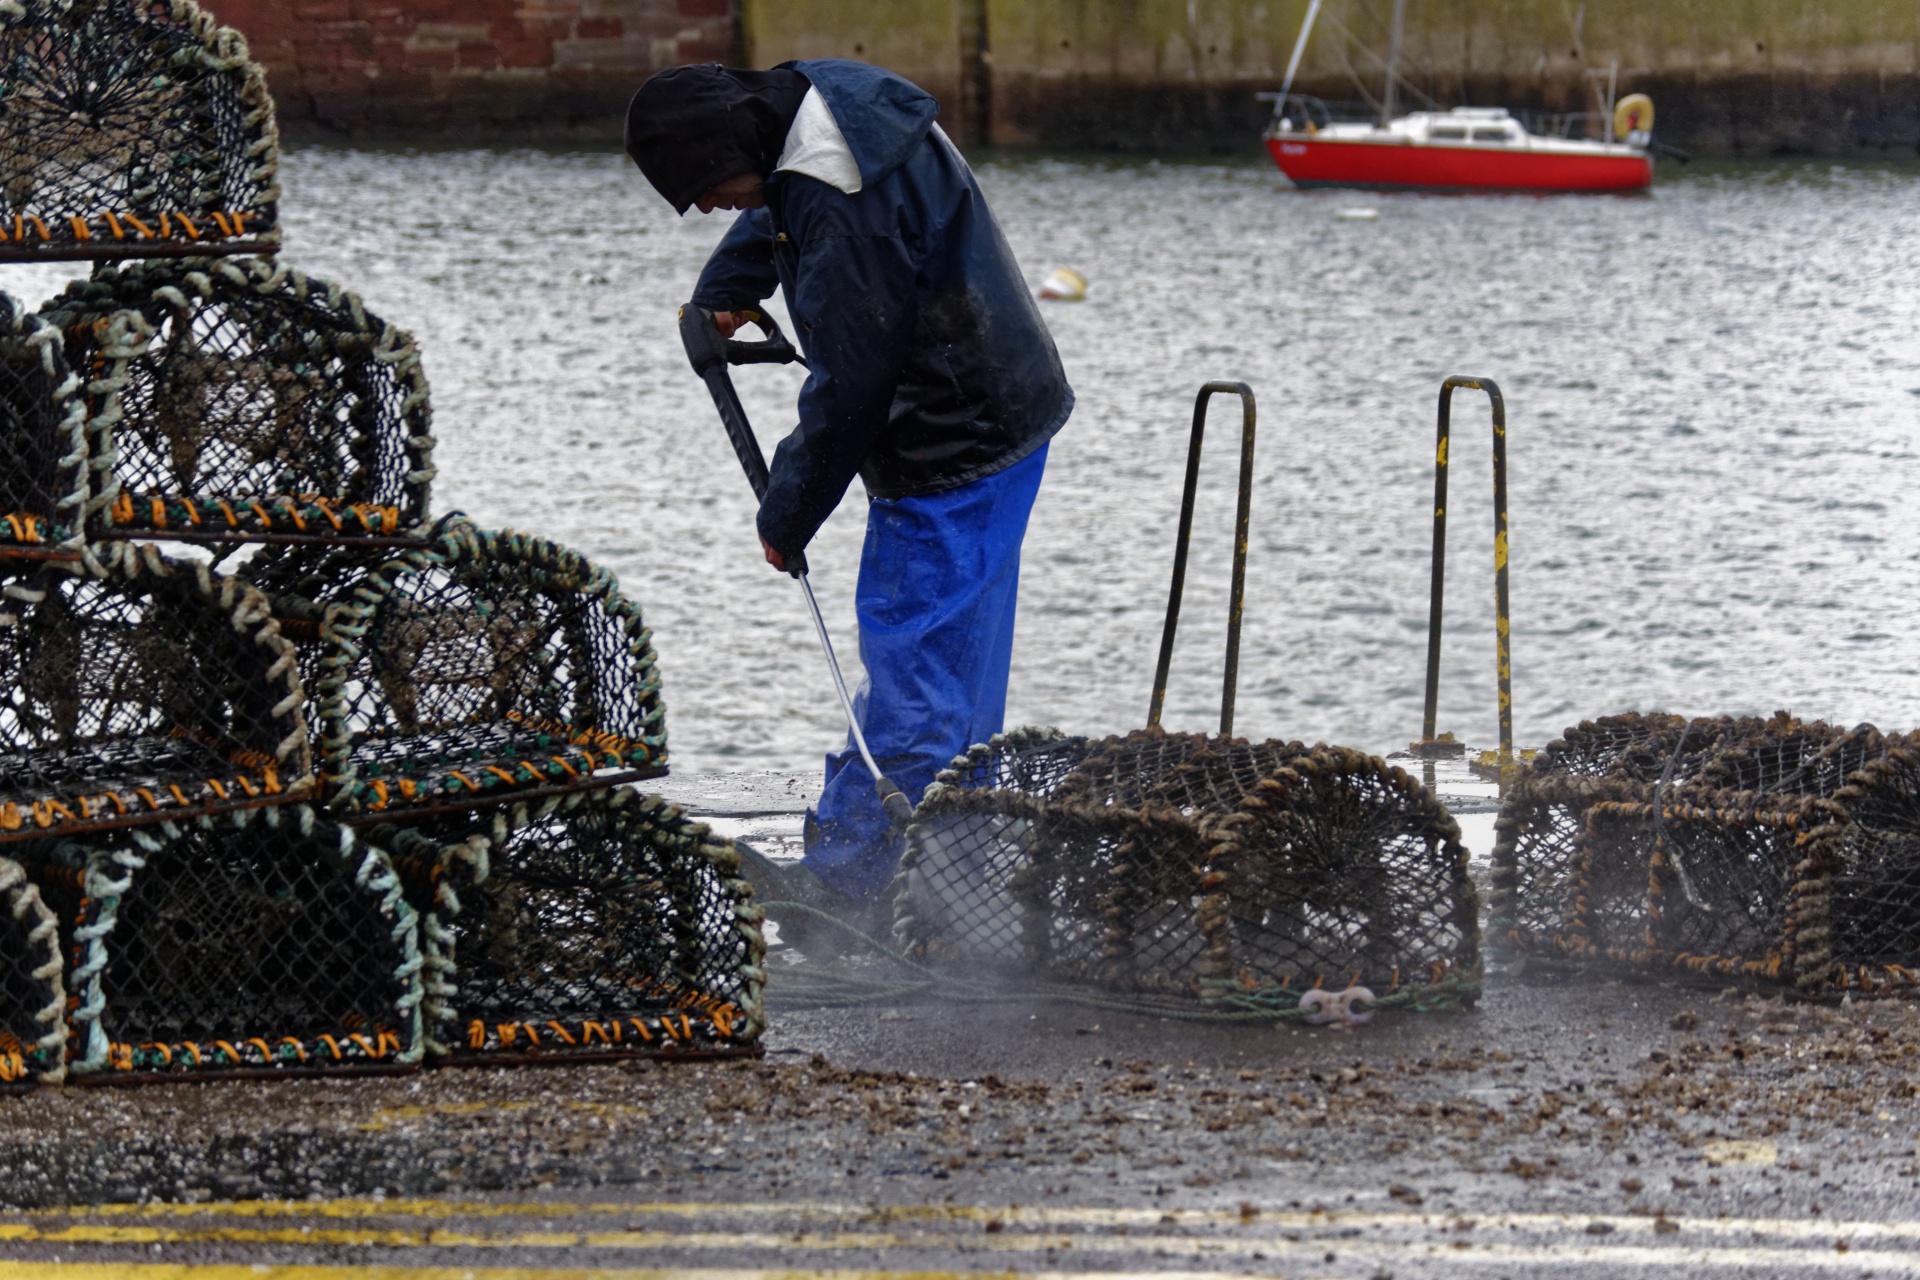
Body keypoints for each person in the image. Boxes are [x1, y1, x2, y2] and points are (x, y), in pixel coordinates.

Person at [624, 59, 1072, 920]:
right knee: (961, 667)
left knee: (915, 677)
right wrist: (727, 285)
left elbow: (850, 389)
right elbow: (781, 203)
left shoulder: (839, 211)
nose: (713, 207)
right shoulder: (828, 103)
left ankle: (854, 889)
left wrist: (787, 511)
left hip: (950, 446)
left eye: (710, 190)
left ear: (733, 145)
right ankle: (953, 867)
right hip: (1011, 408)